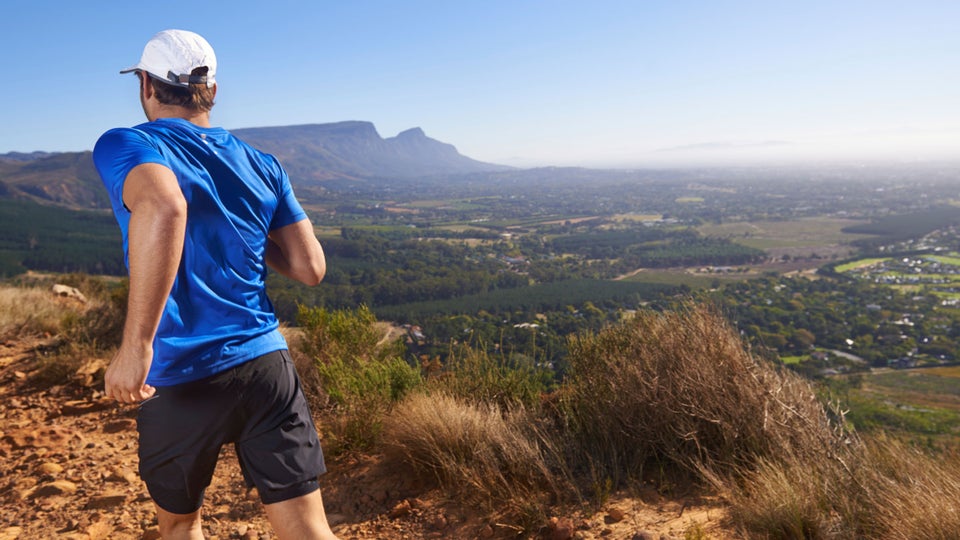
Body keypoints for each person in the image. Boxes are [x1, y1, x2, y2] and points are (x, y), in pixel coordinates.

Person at [93, 29, 338, 540]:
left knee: (182, 526)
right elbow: (309, 267)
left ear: (145, 85)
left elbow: (164, 206)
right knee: (308, 531)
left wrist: (136, 345)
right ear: (213, 91)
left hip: (180, 374)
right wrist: (243, 225)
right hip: (267, 366)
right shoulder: (263, 164)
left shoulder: (130, 142)